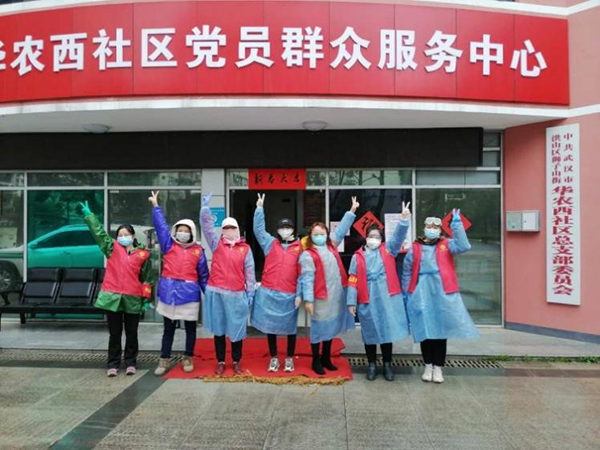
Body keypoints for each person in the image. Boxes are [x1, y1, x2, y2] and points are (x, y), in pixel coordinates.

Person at [401, 208, 479, 384]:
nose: (432, 229)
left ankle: (438, 367)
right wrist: (407, 293)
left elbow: (464, 246)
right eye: (429, 226)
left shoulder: (447, 244)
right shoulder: (415, 247)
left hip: (442, 291)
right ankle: (427, 365)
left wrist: (456, 225)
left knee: (440, 330)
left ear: (440, 230)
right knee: (425, 330)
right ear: (424, 228)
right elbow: (406, 271)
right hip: (422, 291)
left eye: (435, 227)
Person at [80, 201, 153, 378]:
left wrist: (146, 300)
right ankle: (112, 363)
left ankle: (130, 362)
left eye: (126, 234)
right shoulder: (111, 248)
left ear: (133, 236)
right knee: (114, 333)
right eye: (120, 235)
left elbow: (147, 280)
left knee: (132, 333)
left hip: (133, 298)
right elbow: (99, 234)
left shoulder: (143, 254)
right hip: (112, 297)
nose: (123, 237)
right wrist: (90, 216)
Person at [347, 202, 412, 382]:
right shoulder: (357, 256)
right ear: (365, 237)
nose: (373, 239)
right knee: (369, 333)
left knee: (386, 332)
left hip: (386, 299)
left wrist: (404, 220)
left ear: (382, 239)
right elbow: (352, 279)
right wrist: (351, 302)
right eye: (371, 236)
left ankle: (387, 364)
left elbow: (398, 237)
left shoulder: (388, 250)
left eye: (377, 236)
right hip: (367, 299)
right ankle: (371, 365)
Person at [149, 191, 209, 376]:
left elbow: (204, 275)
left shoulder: (198, 251)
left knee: (190, 329)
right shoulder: (169, 245)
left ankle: (188, 357)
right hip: (169, 293)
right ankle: (164, 359)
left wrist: (210, 295)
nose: (182, 233)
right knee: (168, 329)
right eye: (180, 230)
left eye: (186, 230)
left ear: (192, 232)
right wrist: (156, 206)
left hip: (189, 294)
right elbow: (161, 228)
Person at [299, 196, 359, 375]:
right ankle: (316, 360)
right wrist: (308, 300)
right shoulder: (308, 254)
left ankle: (326, 357)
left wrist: (352, 211)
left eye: (322, 233)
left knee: (331, 327)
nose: (320, 236)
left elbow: (341, 229)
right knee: (319, 328)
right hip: (320, 297)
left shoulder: (331, 245)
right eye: (316, 234)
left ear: (326, 234)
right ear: (311, 236)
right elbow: (307, 279)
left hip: (335, 295)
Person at [200, 192, 256, 375]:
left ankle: (237, 361)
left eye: (232, 227)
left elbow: (249, 272)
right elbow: (207, 227)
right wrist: (205, 209)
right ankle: (221, 361)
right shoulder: (217, 244)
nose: (229, 230)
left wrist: (251, 292)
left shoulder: (245, 249)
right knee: (219, 329)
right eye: (225, 228)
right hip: (217, 292)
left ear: (237, 229)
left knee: (236, 328)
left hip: (237, 294)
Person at [251, 193, 303, 373]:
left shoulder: (300, 247)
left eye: (288, 227)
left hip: (290, 293)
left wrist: (300, 293)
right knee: (270, 327)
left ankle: (289, 359)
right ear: (277, 230)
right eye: (282, 227)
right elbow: (258, 230)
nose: (285, 230)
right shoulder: (270, 243)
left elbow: (303, 274)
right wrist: (259, 209)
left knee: (290, 329)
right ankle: (274, 358)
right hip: (270, 292)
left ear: (293, 230)